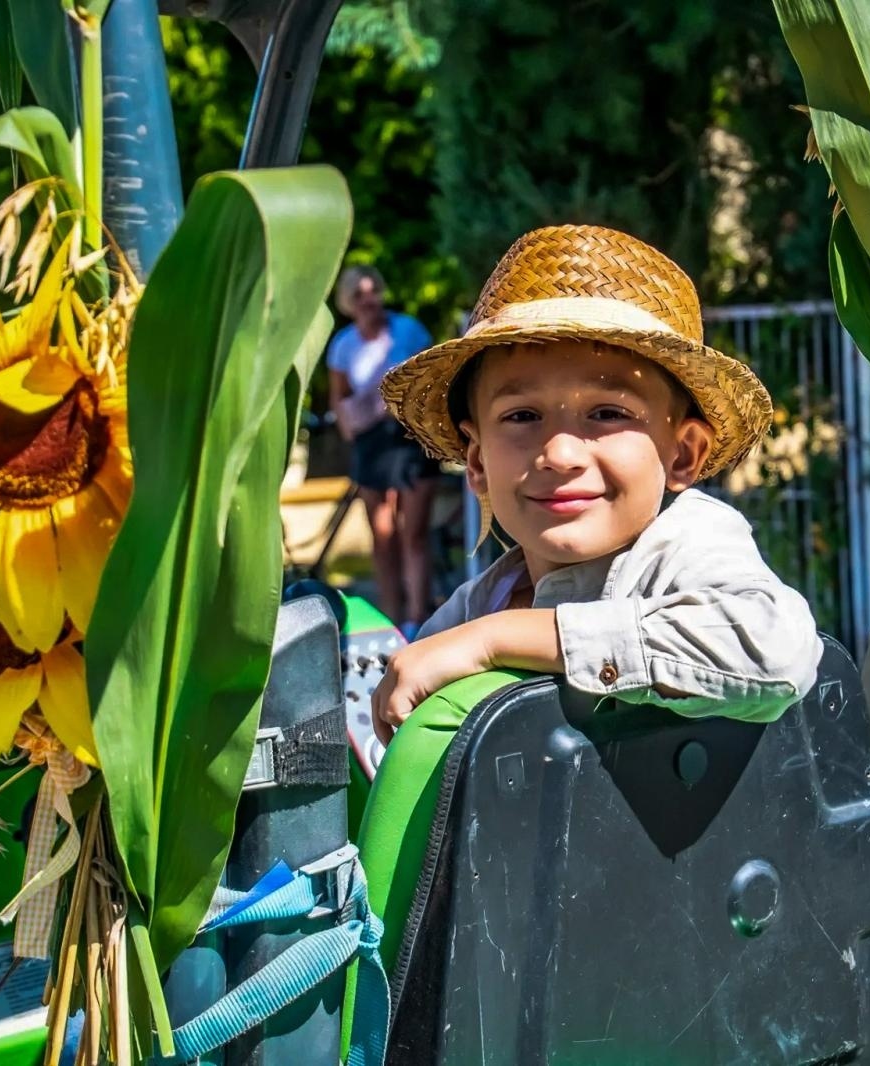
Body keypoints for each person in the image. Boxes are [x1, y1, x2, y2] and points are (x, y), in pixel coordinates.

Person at [350, 223, 825, 984]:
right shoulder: (488, 597)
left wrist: (509, 639)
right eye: (521, 417)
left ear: (683, 454)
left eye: (607, 413)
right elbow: (411, 705)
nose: (560, 452)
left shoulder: (688, 542)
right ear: (476, 464)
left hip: (699, 955)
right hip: (536, 956)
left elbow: (774, 650)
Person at [326, 265, 441, 637]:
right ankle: (392, 620)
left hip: (411, 438)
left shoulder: (409, 331)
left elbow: (435, 381)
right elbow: (340, 402)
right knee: (382, 534)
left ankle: (418, 619)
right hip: (371, 445)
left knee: (415, 533)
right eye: (358, 294)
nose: (368, 300)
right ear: (348, 302)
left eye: (372, 290)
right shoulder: (343, 346)